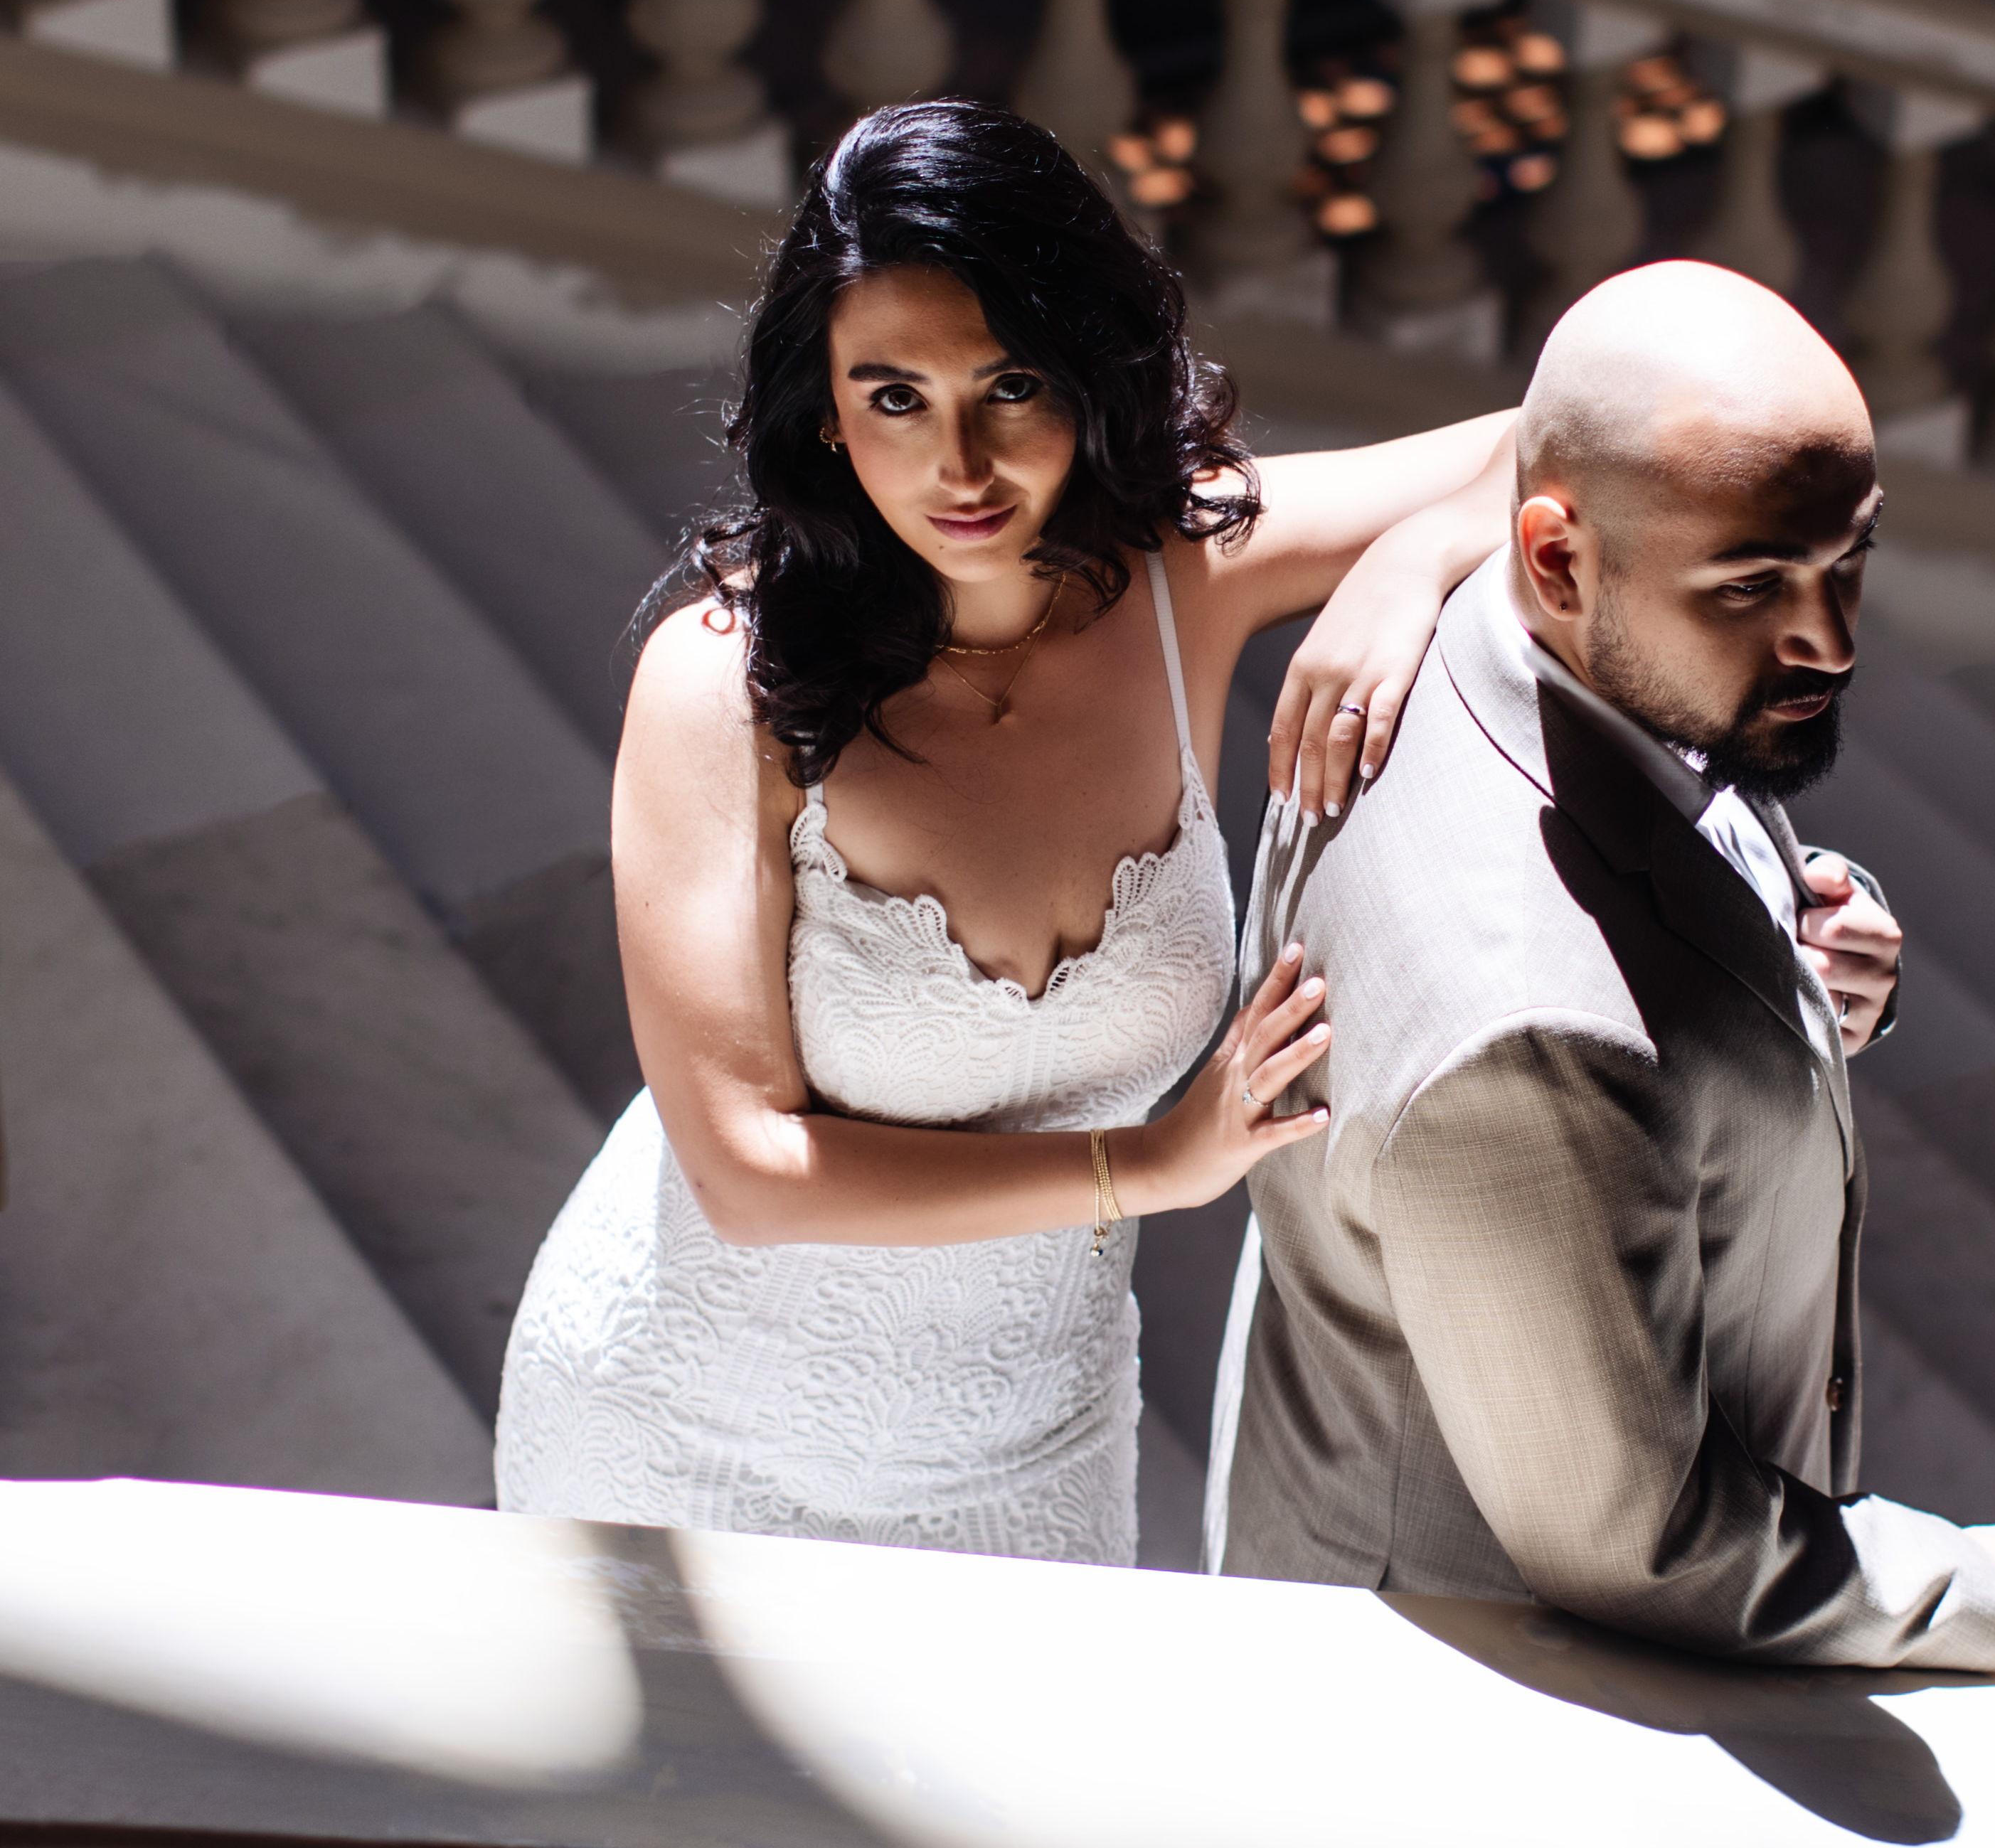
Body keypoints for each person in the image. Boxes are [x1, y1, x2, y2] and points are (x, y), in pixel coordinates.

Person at [496, 100, 1511, 1563]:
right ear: (824, 408)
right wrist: (1147, 1167)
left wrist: (1415, 561)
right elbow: (746, 1172)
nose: (959, 465)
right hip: (678, 1431)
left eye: (1010, 385)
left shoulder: (1188, 571)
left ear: (1089, 374)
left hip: (1030, 1447)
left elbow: (1600, 430)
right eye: (893, 396)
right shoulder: (723, 680)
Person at [1208, 262, 1995, 1692]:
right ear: (1556, 556)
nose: (1830, 638)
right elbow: (1636, 1537)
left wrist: (1798, 955)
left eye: (1848, 559)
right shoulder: (1523, 1030)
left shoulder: (1503, 625)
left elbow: (1659, 838)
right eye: (1754, 587)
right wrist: (1971, 1593)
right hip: (1488, 1692)